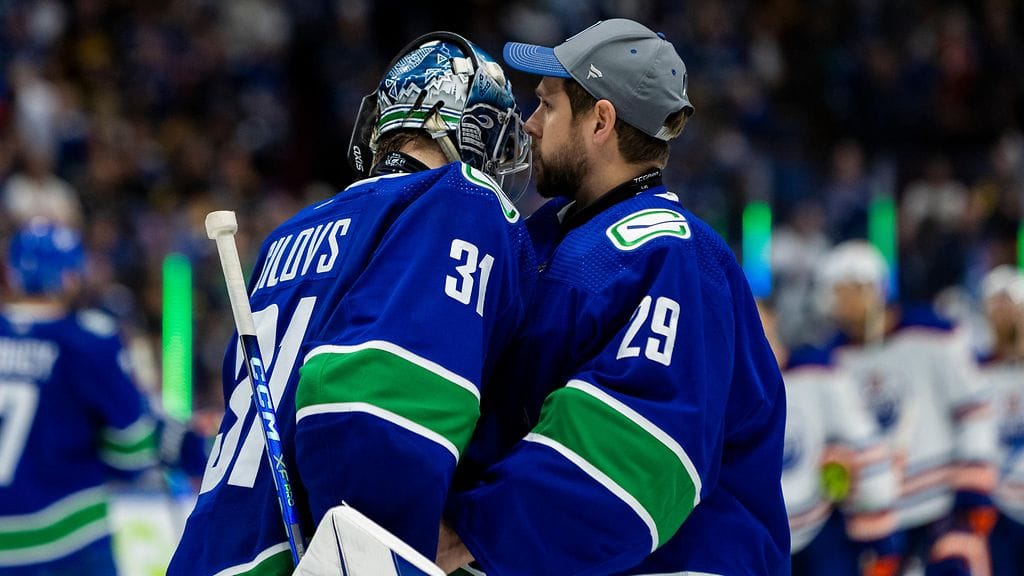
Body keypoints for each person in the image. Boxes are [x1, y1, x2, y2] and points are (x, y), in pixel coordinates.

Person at [168, 32, 534, 575]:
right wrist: (379, 554)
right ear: (471, 128)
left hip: (212, 549)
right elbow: (375, 410)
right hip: (304, 555)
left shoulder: (291, 231)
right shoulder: (464, 200)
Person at [440, 19, 790, 575]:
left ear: (600, 120)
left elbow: (636, 449)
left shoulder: (672, 256)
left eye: (547, 106)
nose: (529, 125)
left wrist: (467, 530)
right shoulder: (550, 239)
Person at [817, 241, 999, 575]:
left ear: (878, 287)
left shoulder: (933, 333)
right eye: (840, 293)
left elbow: (975, 410)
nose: (848, 302)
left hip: (943, 506)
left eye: (855, 289)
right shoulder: (831, 363)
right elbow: (834, 443)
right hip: (877, 521)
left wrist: (973, 492)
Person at [0, 220, 159, 574]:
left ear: (12, 274)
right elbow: (133, 452)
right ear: (71, 277)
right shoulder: (87, 340)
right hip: (67, 541)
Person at [758, 301, 899, 576]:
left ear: (772, 319)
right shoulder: (722, 387)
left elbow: (862, 439)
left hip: (823, 533)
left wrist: (880, 538)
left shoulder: (818, 373)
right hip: (758, 542)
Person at [977, 265, 1024, 576]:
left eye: (1009, 303)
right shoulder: (973, 372)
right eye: (996, 303)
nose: (1002, 311)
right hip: (998, 505)